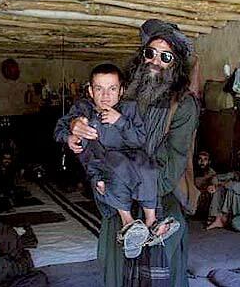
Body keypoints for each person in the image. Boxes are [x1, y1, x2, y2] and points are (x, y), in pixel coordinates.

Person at [66, 19, 199, 286]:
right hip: (117, 193)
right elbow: (91, 112)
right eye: (150, 53)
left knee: (161, 269)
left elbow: (172, 166)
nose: (155, 61)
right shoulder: (125, 93)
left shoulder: (183, 106)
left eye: (166, 56)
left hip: (159, 193)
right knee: (116, 270)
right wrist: (75, 126)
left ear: (176, 64)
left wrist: (132, 191)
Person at [55, 64, 179, 258]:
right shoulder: (82, 110)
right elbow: (60, 128)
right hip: (101, 164)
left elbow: (140, 139)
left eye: (112, 89)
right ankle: (128, 225)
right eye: (99, 89)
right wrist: (69, 137)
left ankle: (152, 221)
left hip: (132, 159)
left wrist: (120, 121)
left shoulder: (129, 109)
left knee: (147, 169)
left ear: (121, 91)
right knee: (113, 174)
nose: (106, 95)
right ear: (90, 90)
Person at [206, 149, 240, 230]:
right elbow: (216, 177)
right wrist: (213, 184)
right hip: (234, 206)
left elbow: (236, 186)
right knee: (219, 189)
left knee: (231, 188)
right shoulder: (237, 173)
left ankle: (223, 218)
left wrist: (219, 185)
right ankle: (216, 218)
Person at [194, 151, 218, 218]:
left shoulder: (211, 173)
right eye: (200, 159)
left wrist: (212, 186)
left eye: (205, 159)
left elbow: (214, 181)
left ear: (209, 162)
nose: (202, 162)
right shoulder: (192, 171)